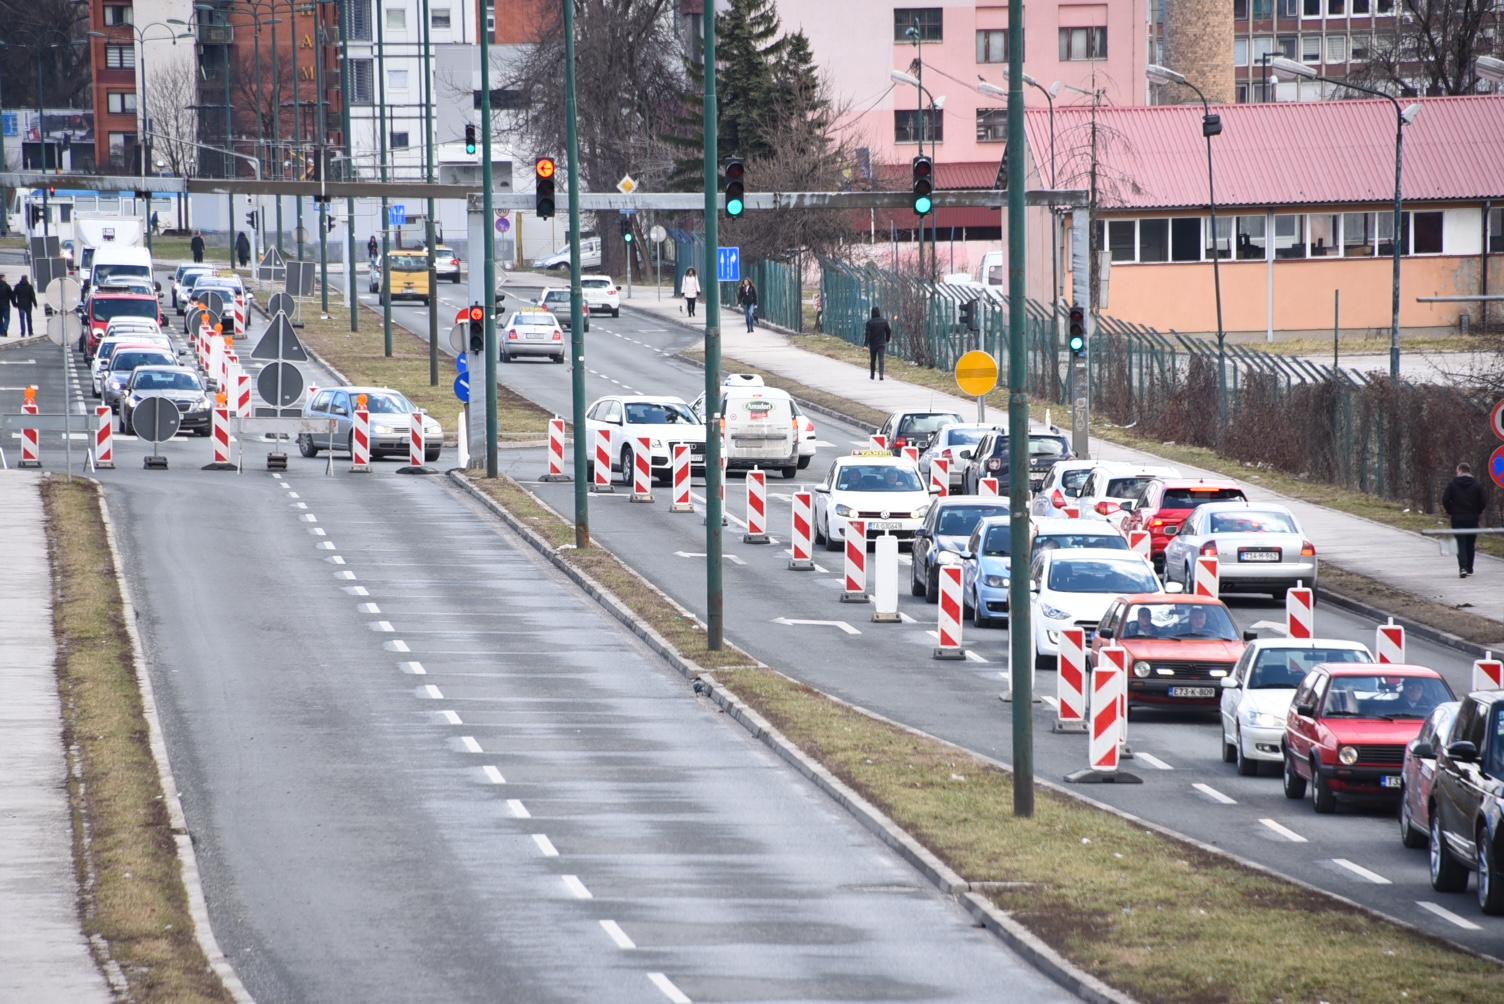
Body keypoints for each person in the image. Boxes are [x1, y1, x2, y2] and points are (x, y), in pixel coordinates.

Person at [1442, 462, 1488, 578]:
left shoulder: (1452, 484)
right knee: (1470, 542)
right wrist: (1477, 511)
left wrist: (1451, 510)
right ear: (1469, 471)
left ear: (1460, 470)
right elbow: (1483, 501)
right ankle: (1469, 568)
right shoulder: (1477, 485)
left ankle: (1462, 568)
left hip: (1457, 518)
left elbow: (1445, 500)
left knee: (1460, 542)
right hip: (1472, 518)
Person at [863, 306, 891, 380]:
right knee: (881, 359)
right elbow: (888, 331)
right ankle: (881, 375)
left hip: (873, 344)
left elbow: (867, 334)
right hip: (881, 343)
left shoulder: (869, 322)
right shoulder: (884, 321)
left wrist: (865, 345)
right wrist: (887, 339)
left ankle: (872, 375)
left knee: (873, 360)